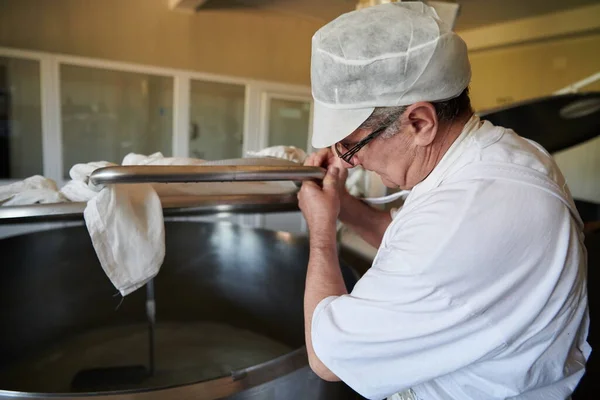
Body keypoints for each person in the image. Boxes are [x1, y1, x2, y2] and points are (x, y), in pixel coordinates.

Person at [297, 2, 591, 400]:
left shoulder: (465, 217)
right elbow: (404, 239)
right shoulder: (504, 151)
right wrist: (341, 205)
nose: (351, 161)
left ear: (420, 123)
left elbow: (327, 359)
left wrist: (320, 233)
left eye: (352, 146)